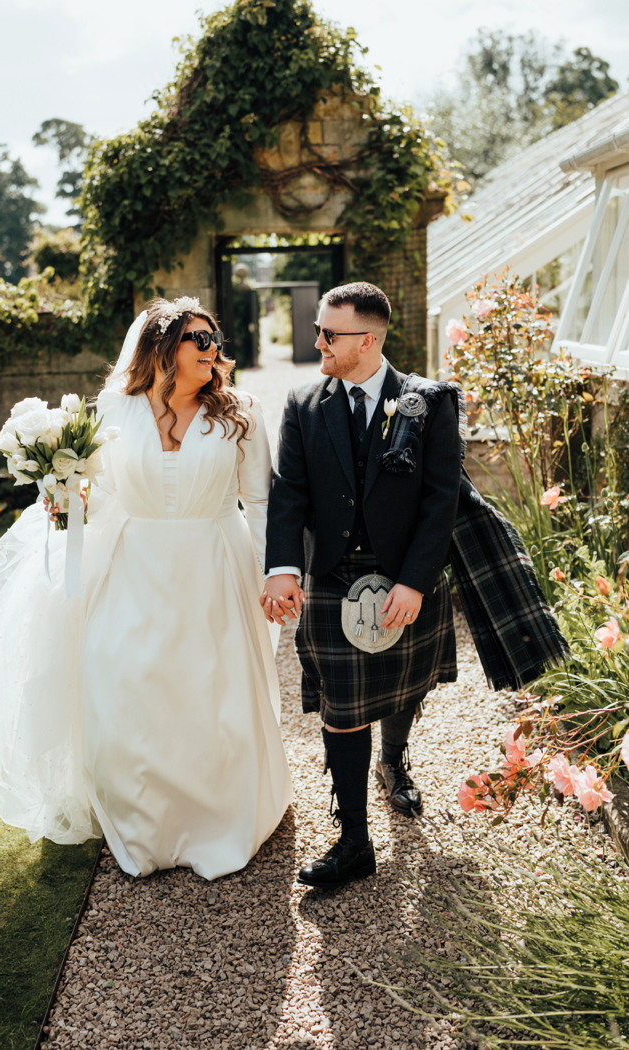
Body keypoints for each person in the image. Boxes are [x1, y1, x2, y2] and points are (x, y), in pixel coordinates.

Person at [0, 298, 292, 880]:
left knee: (213, 690)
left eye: (214, 337)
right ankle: (146, 826)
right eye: (197, 339)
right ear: (162, 350)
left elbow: (261, 500)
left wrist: (274, 572)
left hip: (216, 561)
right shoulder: (116, 406)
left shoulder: (240, 410)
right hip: (133, 564)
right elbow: (103, 493)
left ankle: (222, 818)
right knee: (130, 685)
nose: (211, 348)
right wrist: (68, 498)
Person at [261, 282, 461, 889]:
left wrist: (415, 582)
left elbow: (440, 499)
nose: (316, 340)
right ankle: (353, 839)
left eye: (329, 333)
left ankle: (394, 762)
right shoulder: (303, 403)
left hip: (403, 572)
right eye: (318, 329)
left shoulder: (428, 401)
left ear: (368, 340)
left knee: (404, 686)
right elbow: (289, 492)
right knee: (341, 706)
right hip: (333, 574)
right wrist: (282, 567)